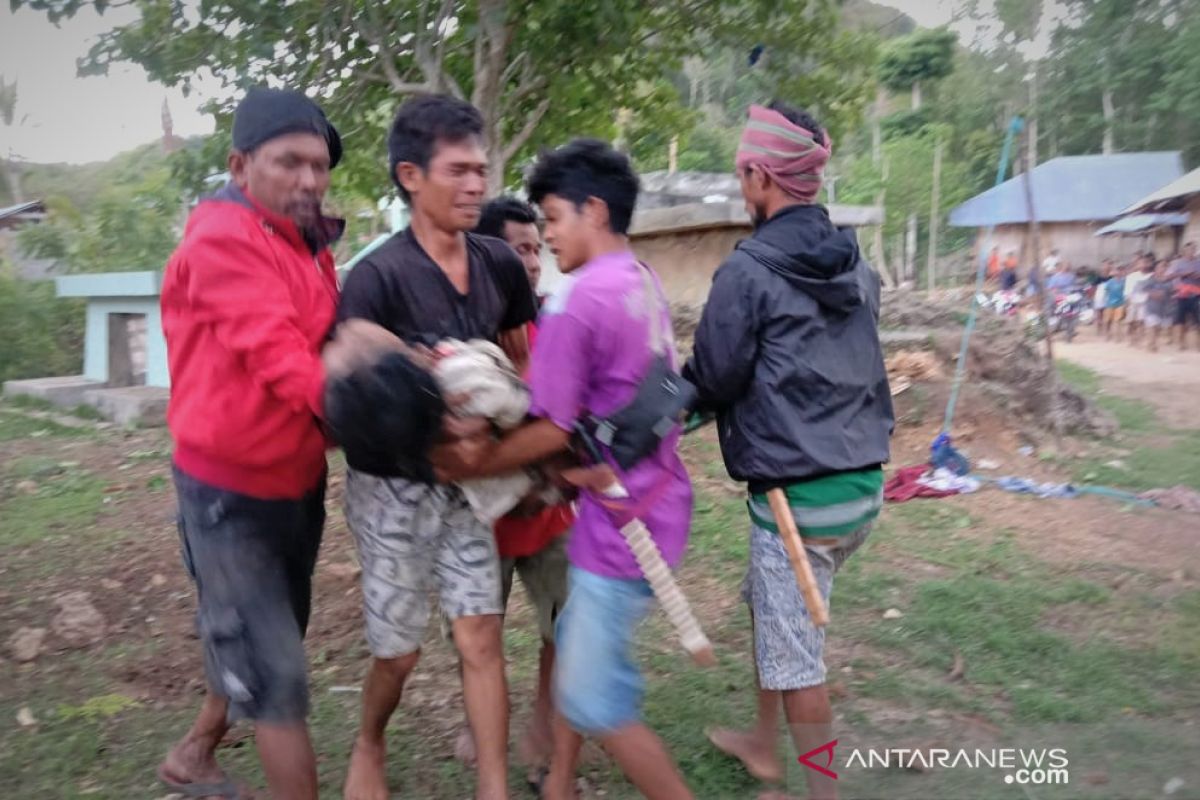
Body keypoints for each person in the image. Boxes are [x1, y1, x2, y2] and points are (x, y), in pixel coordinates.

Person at [434, 138, 696, 800]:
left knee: (595, 700)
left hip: (617, 526)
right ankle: (558, 782)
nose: (546, 237)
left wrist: (474, 462)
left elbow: (551, 426)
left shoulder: (577, 300)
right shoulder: (642, 279)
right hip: (652, 504)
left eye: (552, 218)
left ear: (595, 212)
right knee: (581, 658)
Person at [684, 102, 892, 800]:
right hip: (861, 487)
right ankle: (762, 744)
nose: (742, 189)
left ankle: (821, 792)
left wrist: (665, 401)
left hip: (796, 504)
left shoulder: (746, 273)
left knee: (799, 662)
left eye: (743, 176)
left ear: (759, 175)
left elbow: (713, 378)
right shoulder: (857, 266)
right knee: (767, 610)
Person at [336, 95, 539, 800]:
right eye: (458, 171)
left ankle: (494, 788)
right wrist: (422, 402)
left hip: (470, 488)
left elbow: (525, 365)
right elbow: (351, 412)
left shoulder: (499, 265)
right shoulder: (375, 278)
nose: (476, 186)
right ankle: (369, 741)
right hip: (391, 489)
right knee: (398, 653)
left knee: (480, 636)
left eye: (481, 170)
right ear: (411, 175)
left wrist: (511, 428)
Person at [158, 86, 356, 800]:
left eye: (319, 164)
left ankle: (193, 754)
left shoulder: (307, 243)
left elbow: (329, 341)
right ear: (242, 167)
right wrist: (379, 413)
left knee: (266, 634)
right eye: (289, 162)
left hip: (295, 480)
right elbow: (282, 359)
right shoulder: (220, 239)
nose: (309, 179)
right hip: (228, 496)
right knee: (276, 677)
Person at [444, 196, 572, 773]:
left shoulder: (555, 332)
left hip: (550, 518)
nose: (531, 261)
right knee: (477, 635)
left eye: (535, 248)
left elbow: (570, 424)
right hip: (480, 527)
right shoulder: (463, 348)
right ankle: (481, 723)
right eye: (517, 249)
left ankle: (545, 728)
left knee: (562, 631)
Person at [1169, 242, 1200, 350]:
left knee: (1197, 319)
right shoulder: (1177, 263)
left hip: (1196, 293)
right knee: (1181, 320)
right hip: (1181, 294)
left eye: (1193, 249)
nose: (1191, 252)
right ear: (1184, 251)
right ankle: (1181, 343)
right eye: (1189, 250)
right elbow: (1171, 275)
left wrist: (1197, 275)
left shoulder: (1198, 262)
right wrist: (1184, 274)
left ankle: (1197, 344)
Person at [1143, 259, 1174, 352]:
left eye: (1164, 266)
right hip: (1151, 306)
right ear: (1155, 269)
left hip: (1163, 308)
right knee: (1152, 326)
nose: (1163, 269)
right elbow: (1144, 290)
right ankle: (1151, 345)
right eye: (1160, 266)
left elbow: (1170, 291)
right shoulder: (1150, 279)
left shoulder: (1168, 281)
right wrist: (1153, 294)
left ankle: (1153, 343)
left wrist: (1162, 294)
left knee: (1157, 328)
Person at [1124, 254, 1153, 346]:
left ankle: (1139, 339)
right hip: (1133, 302)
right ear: (1137, 265)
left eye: (1146, 263)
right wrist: (1127, 302)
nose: (1143, 265)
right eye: (1141, 263)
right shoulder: (1131, 276)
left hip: (1145, 302)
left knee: (1141, 321)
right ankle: (1132, 339)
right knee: (1131, 322)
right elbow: (1127, 290)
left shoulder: (1151, 276)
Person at [1102, 263, 1127, 341]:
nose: (1118, 272)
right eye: (1116, 270)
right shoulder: (1110, 282)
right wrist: (1104, 300)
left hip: (1120, 303)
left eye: (1120, 270)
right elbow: (1106, 292)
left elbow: (1126, 291)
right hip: (1109, 303)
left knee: (1117, 320)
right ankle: (1107, 335)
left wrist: (1126, 302)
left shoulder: (1124, 281)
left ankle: (1117, 337)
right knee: (1107, 321)